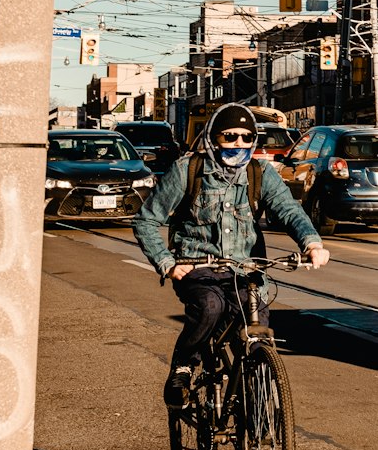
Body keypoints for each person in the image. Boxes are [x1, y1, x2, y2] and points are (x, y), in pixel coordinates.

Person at [133, 103, 329, 406]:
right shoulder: (188, 169)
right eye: (230, 136)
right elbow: (146, 220)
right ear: (214, 138)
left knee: (257, 333)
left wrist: (311, 243)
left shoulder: (261, 172)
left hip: (247, 271)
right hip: (196, 266)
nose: (239, 144)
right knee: (209, 307)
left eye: (246, 137)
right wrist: (167, 263)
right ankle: (184, 365)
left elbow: (289, 211)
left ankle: (258, 407)